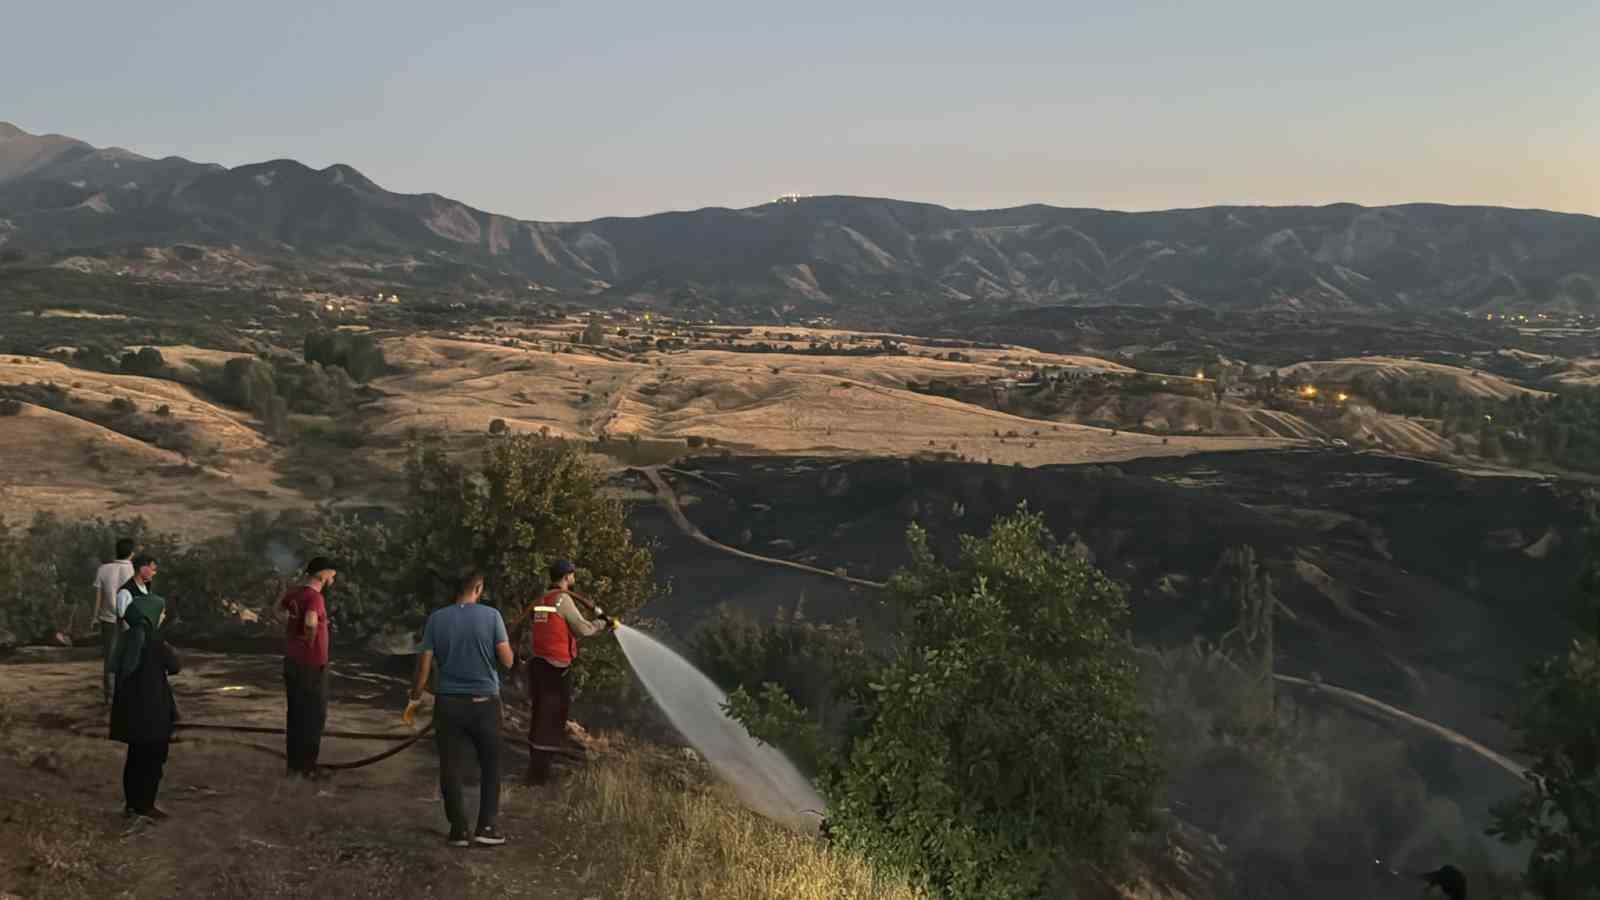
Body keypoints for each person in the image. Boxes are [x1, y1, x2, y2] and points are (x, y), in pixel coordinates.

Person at [409, 567, 514, 847]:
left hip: (449, 704)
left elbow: (424, 667)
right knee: (490, 765)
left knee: (450, 766)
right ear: (478, 588)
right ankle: (487, 827)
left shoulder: (436, 619)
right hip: (484, 704)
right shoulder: (492, 617)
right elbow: (507, 661)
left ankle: (458, 830)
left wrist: (415, 697)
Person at [525, 559, 617, 785]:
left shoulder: (542, 599)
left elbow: (549, 628)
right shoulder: (562, 599)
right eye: (573, 576)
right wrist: (603, 623)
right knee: (552, 718)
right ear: (567, 576)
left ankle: (535, 770)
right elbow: (583, 629)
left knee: (540, 716)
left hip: (538, 664)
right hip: (557, 669)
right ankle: (540, 777)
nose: (574, 580)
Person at [109, 554, 180, 820]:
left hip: (132, 706)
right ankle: (146, 804)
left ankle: (132, 804)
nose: (162, 615)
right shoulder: (155, 641)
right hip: (153, 708)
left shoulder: (128, 640)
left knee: (135, 755)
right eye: (160, 611)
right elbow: (175, 667)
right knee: (152, 758)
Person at [282, 557, 337, 778]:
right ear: (323, 574)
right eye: (332, 573)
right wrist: (310, 639)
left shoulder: (294, 593)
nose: (334, 578)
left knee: (295, 714)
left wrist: (293, 637)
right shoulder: (315, 597)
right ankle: (307, 768)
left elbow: (279, 612)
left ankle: (294, 766)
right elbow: (310, 621)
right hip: (311, 665)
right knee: (314, 715)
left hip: (292, 662)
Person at [94, 538, 136, 706]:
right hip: (130, 619)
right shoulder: (135, 570)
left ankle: (108, 697)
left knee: (109, 658)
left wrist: (94, 617)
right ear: (131, 553)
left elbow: (98, 597)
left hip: (108, 619)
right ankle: (127, 694)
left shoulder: (103, 569)